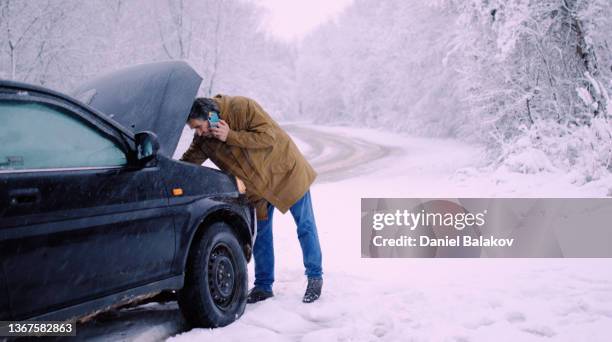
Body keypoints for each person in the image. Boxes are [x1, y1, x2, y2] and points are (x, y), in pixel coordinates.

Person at [180, 95, 323, 303]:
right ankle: (263, 286)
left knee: (305, 226)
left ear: (211, 116)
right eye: (195, 130)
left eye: (199, 127)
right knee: (261, 237)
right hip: (256, 190)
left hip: (285, 173)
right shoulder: (203, 140)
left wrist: (230, 135)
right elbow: (188, 163)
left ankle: (315, 278)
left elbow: (268, 136)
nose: (199, 133)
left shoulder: (242, 107)